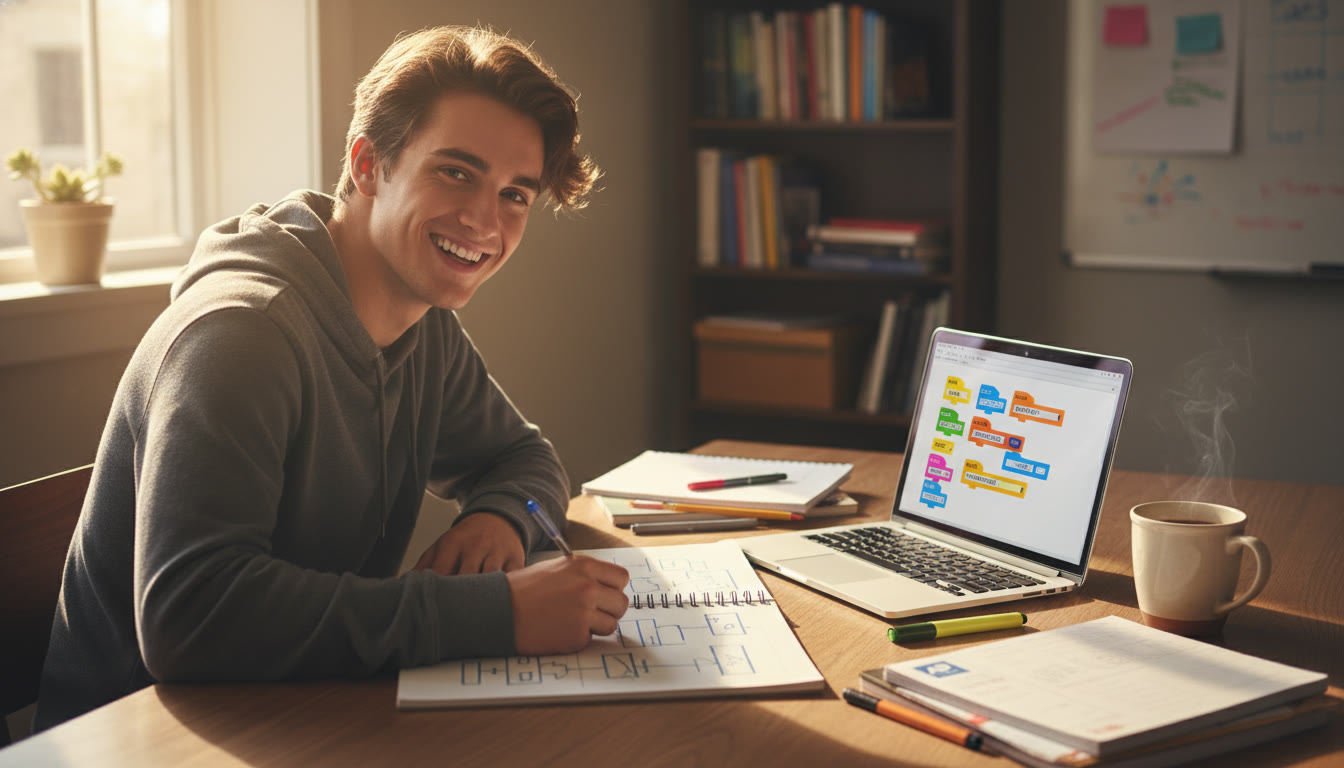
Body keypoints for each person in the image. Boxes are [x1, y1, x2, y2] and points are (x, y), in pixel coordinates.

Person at [35, 25, 630, 731]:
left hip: (301, 711)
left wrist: (499, 516)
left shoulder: (424, 325)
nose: (483, 221)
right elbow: (190, 615)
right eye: (457, 172)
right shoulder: (241, 334)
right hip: (144, 739)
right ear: (369, 164)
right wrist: (496, 614)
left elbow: (524, 459)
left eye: (515, 196)